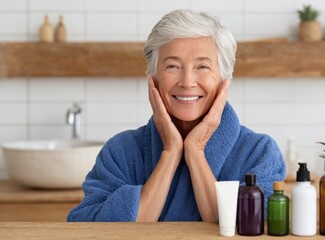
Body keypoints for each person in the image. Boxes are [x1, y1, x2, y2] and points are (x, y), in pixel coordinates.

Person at [67, 9, 285, 222]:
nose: (187, 81)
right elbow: (88, 226)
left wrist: (195, 150)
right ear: (153, 79)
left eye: (202, 66)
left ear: (224, 81)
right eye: (172, 66)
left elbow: (255, 229)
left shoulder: (260, 152)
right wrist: (171, 151)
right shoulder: (121, 151)